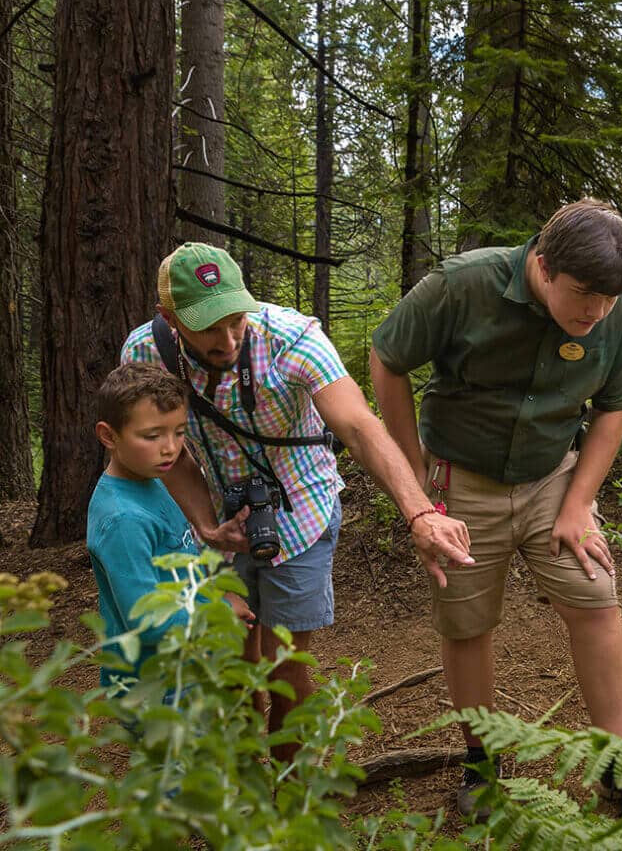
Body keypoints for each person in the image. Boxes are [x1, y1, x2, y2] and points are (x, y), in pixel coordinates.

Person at [371, 198, 622, 820]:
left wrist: (580, 503)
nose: (595, 313)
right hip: (460, 479)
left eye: (608, 300)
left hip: (553, 478)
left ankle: (619, 766)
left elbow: (615, 406)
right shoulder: (463, 284)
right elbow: (387, 359)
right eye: (584, 295)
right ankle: (481, 762)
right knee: (467, 623)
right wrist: (415, 471)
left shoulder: (616, 306)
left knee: (595, 595)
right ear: (542, 264)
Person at [122, 242, 472, 760]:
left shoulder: (290, 337)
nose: (228, 338)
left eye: (236, 319)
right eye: (208, 327)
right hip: (219, 512)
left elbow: (358, 424)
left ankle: (290, 788)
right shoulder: (145, 356)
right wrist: (205, 526)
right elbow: (163, 453)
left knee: (286, 664)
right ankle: (245, 790)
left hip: (302, 506)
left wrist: (418, 510)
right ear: (169, 317)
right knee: (234, 658)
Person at [88, 362, 255, 691]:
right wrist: (219, 610)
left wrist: (213, 597)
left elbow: (177, 571)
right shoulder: (124, 519)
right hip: (154, 686)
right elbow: (146, 621)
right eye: (152, 436)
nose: (170, 447)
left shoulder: (154, 481)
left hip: (186, 668)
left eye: (179, 432)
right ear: (109, 436)